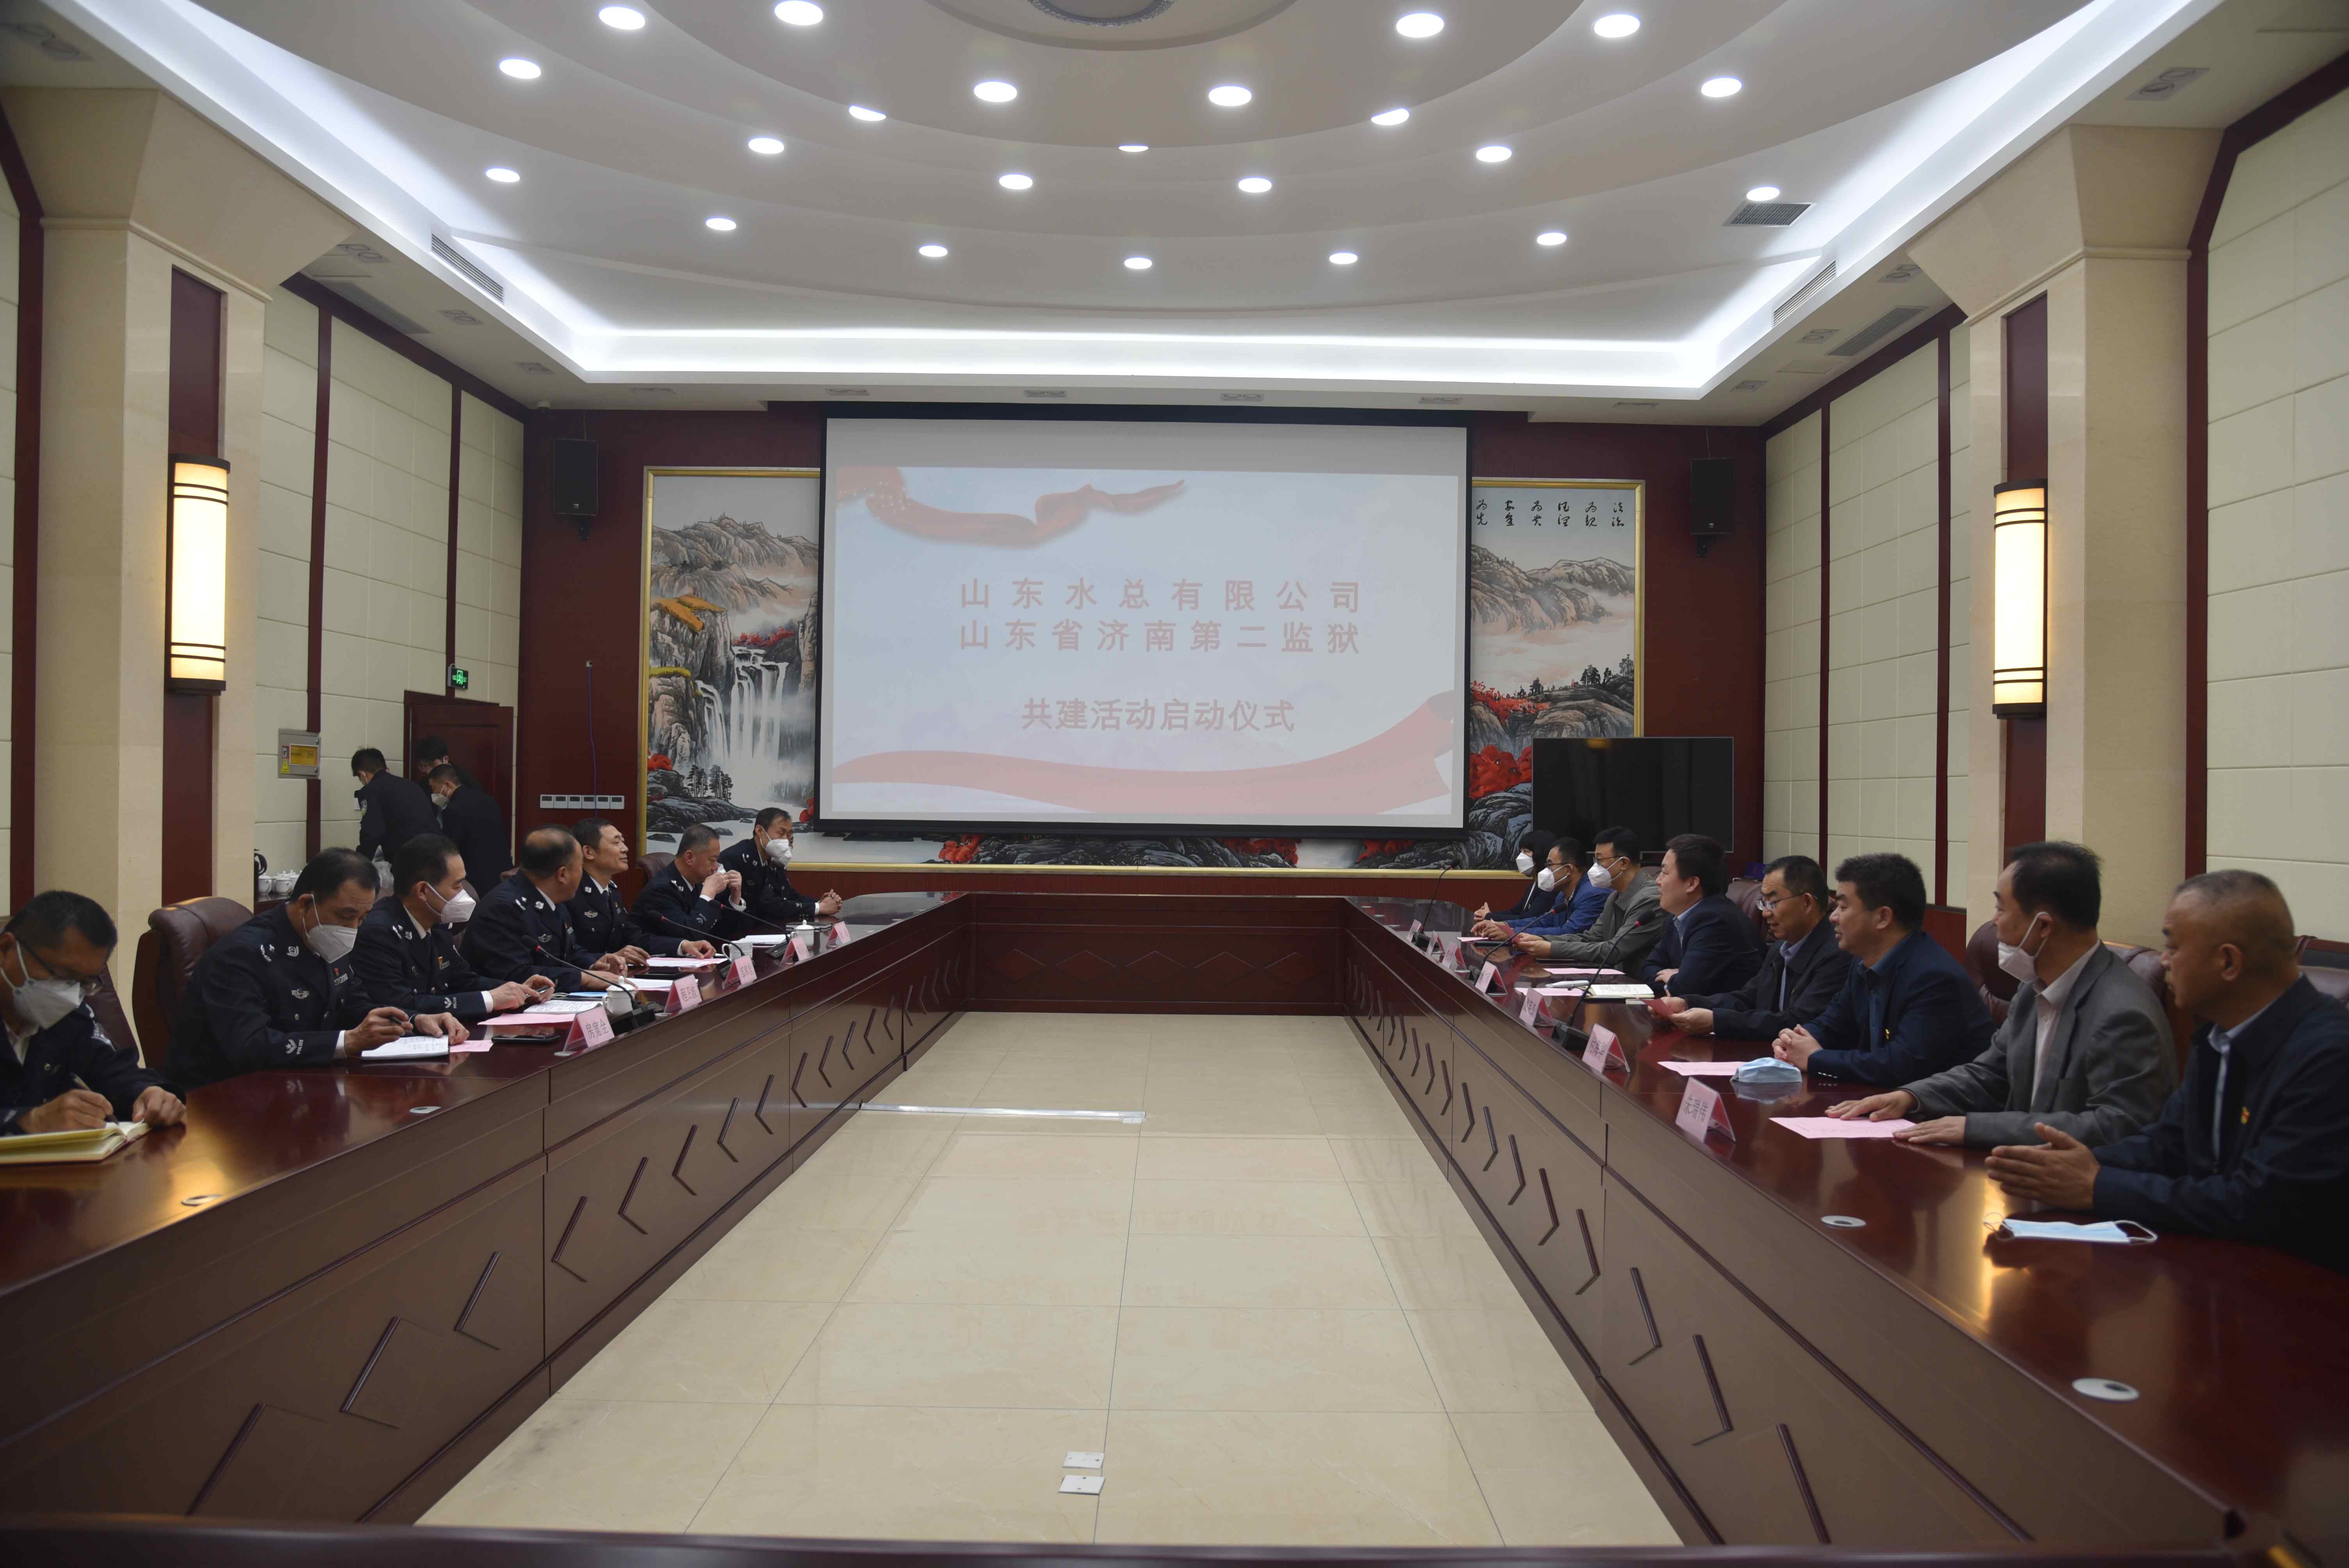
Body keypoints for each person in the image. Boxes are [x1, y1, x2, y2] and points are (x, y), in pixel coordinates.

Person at [1987, 870, 2349, 1274]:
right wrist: (2070, 1165)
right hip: (2219, 1267)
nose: (2163, 961)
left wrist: (2098, 1186)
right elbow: (2168, 1144)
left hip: (2306, 1288)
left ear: (2228, 961)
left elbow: (2258, 1203)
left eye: (2173, 947)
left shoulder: (2328, 1056)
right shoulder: (2218, 1033)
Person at [1830, 842, 2174, 1147]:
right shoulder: (2033, 988)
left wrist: (1978, 1128)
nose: (1993, 922)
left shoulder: (2122, 1013)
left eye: (2001, 909)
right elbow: (1990, 1073)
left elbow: (2117, 1126)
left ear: (2043, 926)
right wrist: (1910, 1096)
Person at [169, 849, 466, 1089]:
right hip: (224, 1100)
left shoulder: (324, 937)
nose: (353, 929)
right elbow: (250, 1046)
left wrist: (414, 1021)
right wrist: (349, 1041)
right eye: (346, 916)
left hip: (304, 1082)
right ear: (305, 904)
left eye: (363, 918)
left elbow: (355, 1005)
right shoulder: (243, 955)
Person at [1770, 852, 1989, 1085]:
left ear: (1883, 917)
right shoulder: (1862, 964)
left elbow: (1900, 1065)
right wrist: (1794, 1041)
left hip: (1941, 1105)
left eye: (1843, 907)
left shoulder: (1934, 978)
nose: (1833, 917)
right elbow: (1833, 1023)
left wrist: (1815, 1058)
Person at [0, 891, 184, 1135]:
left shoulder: (68, 1014)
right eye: (62, 975)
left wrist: (146, 1091)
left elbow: (109, 1068)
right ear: (6, 949)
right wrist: (28, 1121)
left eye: (84, 983)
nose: (69, 994)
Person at [355, 835, 552, 1023]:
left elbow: (463, 980)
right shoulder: (379, 933)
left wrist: (519, 990)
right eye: (457, 887)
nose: (464, 894)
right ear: (423, 891)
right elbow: (401, 1005)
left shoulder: (438, 925)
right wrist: (489, 999)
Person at [1649, 854, 1849, 1039]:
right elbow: (1748, 998)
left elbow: (1797, 1022)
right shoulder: (1780, 947)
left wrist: (1717, 1022)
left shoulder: (1837, 954)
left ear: (1807, 903)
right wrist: (1687, 1003)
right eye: (1764, 903)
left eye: (1773, 903)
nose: (1765, 913)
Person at [462, 827, 629, 991]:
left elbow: (566, 953)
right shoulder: (504, 909)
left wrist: (593, 963)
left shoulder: (551, 895)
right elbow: (517, 974)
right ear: (562, 875)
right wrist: (584, 978)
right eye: (581, 867)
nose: (583, 874)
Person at [1512, 827, 1666, 972]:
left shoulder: (1649, 899)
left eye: (1600, 861)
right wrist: (1541, 939)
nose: (1595, 867)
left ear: (1624, 863)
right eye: (1595, 860)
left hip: (1642, 986)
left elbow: (1614, 950)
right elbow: (1591, 938)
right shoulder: (1614, 896)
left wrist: (1552, 949)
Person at [570, 817, 715, 961]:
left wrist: (682, 946)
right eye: (616, 843)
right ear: (589, 853)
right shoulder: (570, 894)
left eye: (623, 842)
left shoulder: (611, 892)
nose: (625, 849)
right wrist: (605, 959)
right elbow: (566, 955)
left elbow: (634, 938)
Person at [1638, 833, 1762, 996]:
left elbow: (1685, 989)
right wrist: (1673, 981)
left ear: (1692, 884)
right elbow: (1648, 968)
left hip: (1721, 1011)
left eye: (1665, 873)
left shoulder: (1715, 921)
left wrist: (1675, 980)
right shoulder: (1678, 917)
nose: (1658, 881)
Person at [718, 807, 842, 928]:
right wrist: (819, 908)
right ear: (760, 831)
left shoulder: (769, 858)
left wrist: (820, 903)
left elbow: (788, 896)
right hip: (729, 931)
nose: (785, 841)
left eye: (788, 835)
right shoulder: (738, 857)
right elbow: (769, 904)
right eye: (781, 833)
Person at [1472, 836, 1608, 941]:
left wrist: (1513, 933)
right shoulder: (1562, 895)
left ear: (1568, 870)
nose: (1546, 870)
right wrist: (1503, 925)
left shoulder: (1593, 894)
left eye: (1550, 865)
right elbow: (1545, 921)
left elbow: (1569, 932)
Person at [634, 823, 751, 944]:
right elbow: (689, 936)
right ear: (689, 858)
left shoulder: (696, 883)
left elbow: (719, 933)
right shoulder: (661, 889)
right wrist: (708, 895)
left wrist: (735, 899)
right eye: (713, 860)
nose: (716, 867)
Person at [349, 748, 438, 864]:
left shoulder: (370, 791)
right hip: (438, 852)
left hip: (410, 858)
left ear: (362, 775)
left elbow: (372, 831)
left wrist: (358, 862)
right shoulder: (411, 785)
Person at [428, 763, 512, 883]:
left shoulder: (454, 809)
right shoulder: (485, 798)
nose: (433, 793)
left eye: (434, 788)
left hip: (477, 874)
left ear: (447, 785)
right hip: (501, 867)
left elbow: (451, 846)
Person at [1475, 830, 1559, 925]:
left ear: (1540, 855)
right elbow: (1515, 912)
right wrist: (1488, 915)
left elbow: (1529, 919)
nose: (1521, 857)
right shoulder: (1533, 885)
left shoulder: (1548, 888)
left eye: (1526, 852)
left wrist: (1488, 916)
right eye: (1521, 851)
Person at [413, 736, 479, 792]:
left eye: (433, 765)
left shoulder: (467, 780)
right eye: (424, 766)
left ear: (446, 759)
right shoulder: (423, 785)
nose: (429, 771)